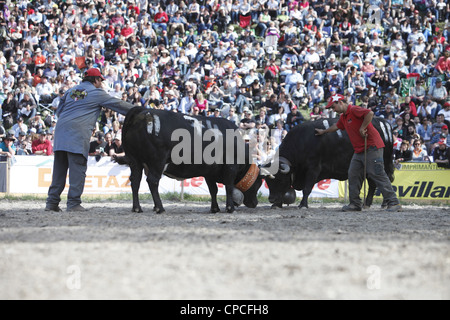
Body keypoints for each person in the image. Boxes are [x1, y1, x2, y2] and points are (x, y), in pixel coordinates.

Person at [45, 68, 135, 212]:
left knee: (59, 170)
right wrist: (140, 111)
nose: (101, 83)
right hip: (77, 134)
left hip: (61, 133)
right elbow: (119, 105)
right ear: (96, 80)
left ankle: (51, 202)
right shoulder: (97, 93)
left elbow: (59, 111)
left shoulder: (70, 91)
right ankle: (73, 203)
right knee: (77, 169)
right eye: (100, 80)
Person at [315, 94, 402, 212]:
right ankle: (355, 204)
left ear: (340, 103)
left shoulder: (354, 109)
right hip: (359, 150)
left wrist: (362, 127)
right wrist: (324, 131)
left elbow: (369, 113)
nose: (333, 110)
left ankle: (394, 202)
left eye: (333, 107)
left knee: (377, 173)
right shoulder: (344, 117)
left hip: (372, 147)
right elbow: (336, 126)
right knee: (353, 174)